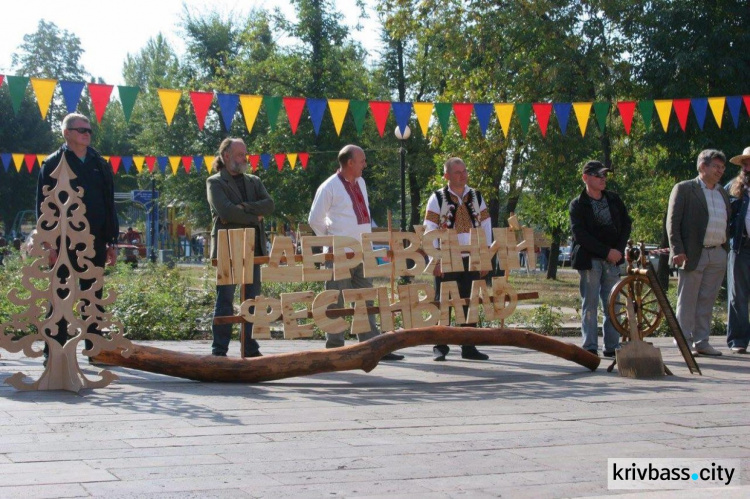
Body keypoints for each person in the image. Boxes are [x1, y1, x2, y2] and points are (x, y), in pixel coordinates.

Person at [308, 144, 404, 361]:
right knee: (335, 299)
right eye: (362, 161)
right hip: (338, 254)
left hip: (362, 251)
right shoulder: (329, 186)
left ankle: (372, 346)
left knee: (365, 298)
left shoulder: (361, 182)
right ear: (349, 163)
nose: (365, 164)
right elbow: (314, 219)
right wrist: (333, 241)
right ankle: (335, 349)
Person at [37, 113, 119, 362]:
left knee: (93, 295)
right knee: (60, 295)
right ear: (67, 133)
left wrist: (111, 241)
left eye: (89, 130)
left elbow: (108, 203)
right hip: (63, 241)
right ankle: (54, 352)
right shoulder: (52, 163)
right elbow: (43, 205)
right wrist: (47, 243)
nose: (87, 134)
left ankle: (95, 350)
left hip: (95, 240)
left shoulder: (100, 163)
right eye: (81, 130)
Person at [207, 138, 274, 357]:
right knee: (225, 299)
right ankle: (219, 350)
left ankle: (250, 348)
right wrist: (255, 216)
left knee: (252, 300)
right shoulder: (215, 182)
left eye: (245, 153)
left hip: (253, 248)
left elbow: (269, 204)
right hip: (228, 247)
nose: (244, 158)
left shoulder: (254, 181)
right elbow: (226, 212)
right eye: (239, 154)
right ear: (226, 156)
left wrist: (244, 207)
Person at [423, 157, 492, 361]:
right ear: (447, 175)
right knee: (444, 301)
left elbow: (486, 226)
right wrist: (435, 259)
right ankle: (440, 345)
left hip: (472, 257)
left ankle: (469, 345)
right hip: (446, 257)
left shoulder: (477, 196)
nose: (462, 175)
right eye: (457, 172)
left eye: (464, 172)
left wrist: (485, 256)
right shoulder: (437, 197)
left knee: (470, 300)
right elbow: (430, 228)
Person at [667, 149, 730, 357]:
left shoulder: (722, 191)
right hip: (693, 253)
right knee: (688, 300)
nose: (720, 171)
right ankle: (684, 341)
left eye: (722, 167)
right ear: (702, 166)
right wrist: (677, 250)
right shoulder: (684, 188)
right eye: (716, 167)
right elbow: (673, 222)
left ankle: (702, 342)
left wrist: (725, 250)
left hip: (718, 253)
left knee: (707, 300)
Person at [569, 160, 632, 357]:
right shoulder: (578, 204)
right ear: (585, 178)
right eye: (598, 175)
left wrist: (618, 251)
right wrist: (606, 252)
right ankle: (589, 347)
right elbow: (580, 235)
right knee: (590, 303)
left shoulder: (614, 199)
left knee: (613, 303)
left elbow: (626, 225)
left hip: (612, 260)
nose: (603, 179)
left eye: (604, 175)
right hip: (590, 261)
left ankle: (612, 347)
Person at [725, 147, 750, 354]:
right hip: (740, 246)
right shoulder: (733, 187)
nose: (747, 166)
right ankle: (738, 340)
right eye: (745, 163)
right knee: (737, 296)